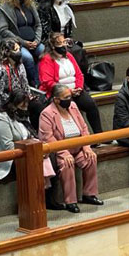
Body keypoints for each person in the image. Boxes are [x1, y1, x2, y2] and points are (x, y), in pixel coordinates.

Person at [39, 84, 102, 213]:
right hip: (60, 151)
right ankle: (71, 201)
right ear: (56, 99)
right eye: (66, 97)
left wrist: (86, 147)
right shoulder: (46, 114)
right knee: (67, 163)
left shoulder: (73, 106)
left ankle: (89, 194)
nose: (69, 99)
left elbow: (84, 128)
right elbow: (48, 138)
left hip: (78, 147)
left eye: (70, 96)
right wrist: (64, 152)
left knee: (90, 158)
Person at [37, 32, 103, 136]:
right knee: (71, 107)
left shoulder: (69, 55)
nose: (63, 45)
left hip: (76, 90)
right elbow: (48, 82)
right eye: (59, 43)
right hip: (60, 94)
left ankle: (99, 135)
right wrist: (69, 91)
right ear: (53, 46)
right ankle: (81, 138)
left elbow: (79, 74)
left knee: (91, 104)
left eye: (64, 42)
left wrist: (79, 88)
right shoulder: (47, 59)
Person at [0, 0, 44, 87]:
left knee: (44, 52)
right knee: (27, 58)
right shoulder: (4, 7)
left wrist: (37, 41)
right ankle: (34, 85)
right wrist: (23, 42)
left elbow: (38, 25)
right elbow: (4, 30)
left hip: (33, 42)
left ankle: (43, 82)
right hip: (16, 44)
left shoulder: (29, 5)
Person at [0, 90, 36, 179]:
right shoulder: (1, 118)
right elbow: (8, 146)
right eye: (22, 106)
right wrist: (31, 152)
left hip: (24, 153)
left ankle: (45, 190)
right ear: (13, 105)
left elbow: (30, 136)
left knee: (49, 157)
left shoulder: (23, 116)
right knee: (35, 160)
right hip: (7, 159)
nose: (25, 109)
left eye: (26, 106)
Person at [0, 38, 33, 117]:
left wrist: (29, 98)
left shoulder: (21, 66)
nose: (19, 52)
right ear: (7, 52)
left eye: (19, 49)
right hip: (3, 104)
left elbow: (25, 84)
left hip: (19, 100)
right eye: (16, 50)